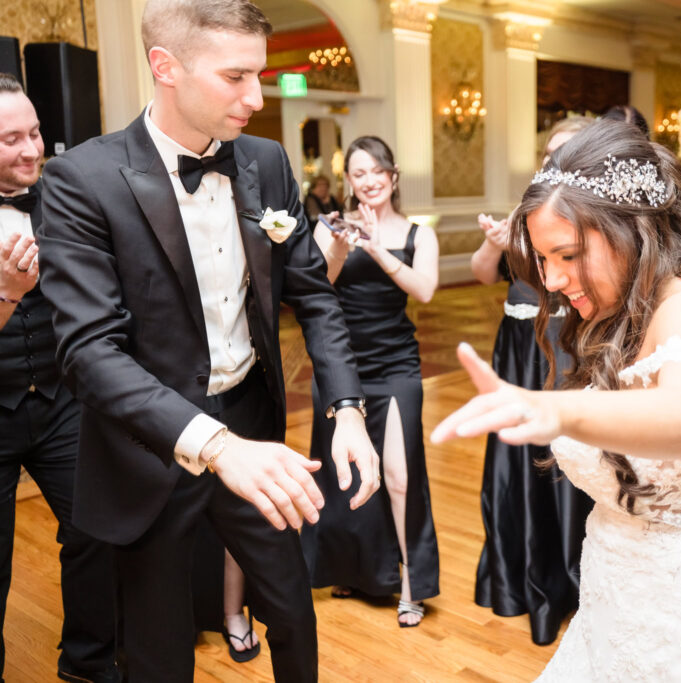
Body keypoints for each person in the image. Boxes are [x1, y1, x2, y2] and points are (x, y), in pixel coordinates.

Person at [35, 2, 380, 680]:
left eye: (260, 75)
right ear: (166, 67)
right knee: (159, 650)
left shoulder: (267, 161)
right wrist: (215, 447)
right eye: (236, 77)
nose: (257, 97)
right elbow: (89, 352)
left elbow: (313, 294)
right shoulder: (83, 181)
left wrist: (347, 409)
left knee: (292, 612)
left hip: (253, 424)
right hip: (151, 450)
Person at [433, 120, 681, 680]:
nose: (553, 278)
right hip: (616, 605)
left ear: (629, 227)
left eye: (567, 255)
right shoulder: (625, 311)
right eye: (543, 259)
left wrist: (556, 410)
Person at [0, 73, 118, 683]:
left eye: (35, 132)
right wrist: (6, 294)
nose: (30, 149)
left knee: (97, 531)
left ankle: (89, 664)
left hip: (61, 399)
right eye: (9, 139)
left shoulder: (64, 197)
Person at [302, 136, 440, 627]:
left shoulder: (419, 234)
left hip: (398, 366)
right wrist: (342, 245)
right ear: (350, 182)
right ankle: (355, 571)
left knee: (401, 477)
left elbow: (424, 290)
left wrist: (379, 251)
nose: (369, 180)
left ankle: (410, 583)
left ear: (394, 175)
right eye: (359, 173)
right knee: (348, 478)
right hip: (342, 368)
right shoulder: (331, 227)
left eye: (377, 170)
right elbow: (317, 288)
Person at [469, 116, 593, 646]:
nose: (553, 159)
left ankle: (573, 581)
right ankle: (520, 576)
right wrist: (498, 243)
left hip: (567, 346)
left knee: (565, 458)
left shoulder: (594, 217)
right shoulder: (529, 208)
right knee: (514, 463)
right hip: (516, 349)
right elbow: (481, 272)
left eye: (565, 151)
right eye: (549, 151)